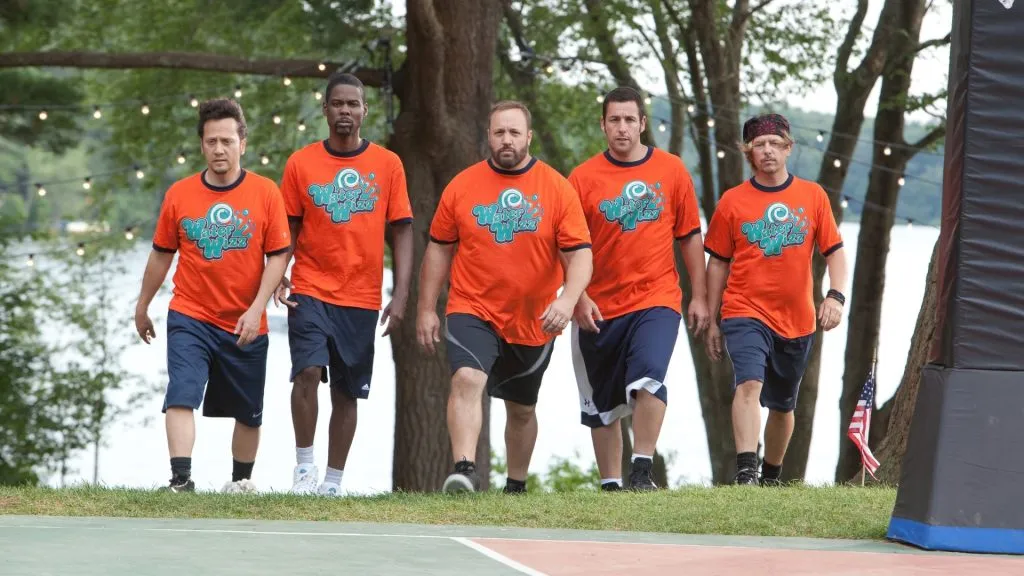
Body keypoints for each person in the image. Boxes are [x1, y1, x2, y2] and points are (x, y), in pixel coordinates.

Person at [416, 100, 593, 494]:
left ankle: (516, 486)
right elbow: (439, 248)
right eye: (499, 132)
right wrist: (426, 308)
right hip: (472, 305)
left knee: (522, 408)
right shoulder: (463, 186)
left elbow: (580, 254)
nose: (507, 140)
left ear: (529, 137)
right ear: (489, 136)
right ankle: (464, 469)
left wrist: (568, 300)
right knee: (467, 378)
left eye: (514, 132)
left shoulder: (556, 188)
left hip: (534, 316)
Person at [135, 98, 291, 493]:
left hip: (245, 320)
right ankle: (180, 480)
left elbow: (278, 256)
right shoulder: (180, 194)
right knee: (181, 393)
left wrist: (256, 308)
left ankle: (240, 484)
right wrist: (142, 305)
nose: (219, 149)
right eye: (211, 142)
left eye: (227, 141)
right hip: (191, 314)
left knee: (249, 412)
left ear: (243, 143)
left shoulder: (266, 192)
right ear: (202, 145)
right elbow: (161, 254)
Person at [274, 72, 414, 496]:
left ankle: (332, 482)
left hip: (361, 294)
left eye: (353, 104)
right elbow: (287, 227)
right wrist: (278, 271)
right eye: (338, 104)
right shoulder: (301, 163)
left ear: (365, 111)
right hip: (310, 287)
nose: (345, 111)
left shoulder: (388, 165)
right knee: (307, 372)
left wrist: (401, 295)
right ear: (325, 109)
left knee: (347, 393)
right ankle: (304, 468)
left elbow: (402, 230)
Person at [567, 86, 709, 492]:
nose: (622, 128)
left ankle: (642, 470)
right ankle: (611, 487)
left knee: (649, 376)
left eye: (630, 119)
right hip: (598, 307)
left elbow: (689, 236)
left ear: (643, 124)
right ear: (603, 125)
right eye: (614, 120)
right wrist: (577, 297)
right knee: (602, 408)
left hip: (656, 298)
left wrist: (699, 296)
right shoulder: (581, 179)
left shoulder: (671, 171)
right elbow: (566, 246)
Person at [703, 113, 848, 486]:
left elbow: (834, 252)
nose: (767, 151)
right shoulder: (732, 201)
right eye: (759, 145)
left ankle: (771, 475)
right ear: (748, 152)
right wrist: (713, 318)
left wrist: (835, 296)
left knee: (783, 405)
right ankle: (746, 471)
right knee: (749, 384)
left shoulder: (812, 196)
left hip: (797, 319)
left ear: (787, 148)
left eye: (774, 143)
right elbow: (717, 263)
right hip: (744, 310)